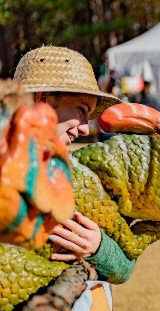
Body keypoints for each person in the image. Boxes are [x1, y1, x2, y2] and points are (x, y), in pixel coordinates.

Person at [14, 45, 135, 283]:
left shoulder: (77, 176)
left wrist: (99, 247)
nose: (83, 128)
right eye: (81, 111)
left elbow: (124, 268)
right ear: (43, 100)